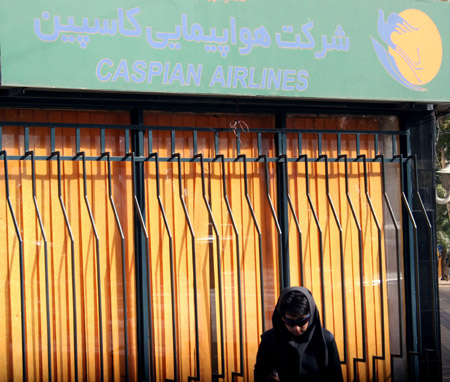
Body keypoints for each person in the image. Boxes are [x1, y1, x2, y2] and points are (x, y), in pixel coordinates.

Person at [254, 286, 343, 382]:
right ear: (282, 318)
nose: (296, 328)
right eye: (290, 322)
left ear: (311, 315)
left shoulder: (326, 340)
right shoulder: (269, 340)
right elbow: (259, 374)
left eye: (302, 321)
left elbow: (336, 376)